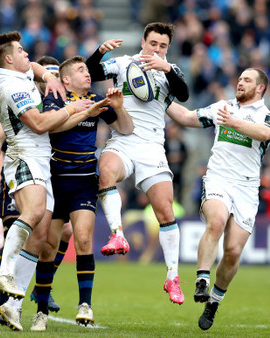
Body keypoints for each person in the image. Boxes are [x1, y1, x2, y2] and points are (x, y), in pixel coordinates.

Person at [0, 31, 104, 331]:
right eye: (23, 52)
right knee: (35, 211)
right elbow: (39, 125)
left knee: (39, 240)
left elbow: (38, 68)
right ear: (9, 59)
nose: (30, 56)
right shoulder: (12, 87)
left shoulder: (22, 73)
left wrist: (51, 80)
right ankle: (4, 271)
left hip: (43, 161)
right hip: (25, 156)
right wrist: (69, 108)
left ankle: (12, 306)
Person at [86, 22, 189, 305]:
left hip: (153, 147)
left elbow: (184, 94)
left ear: (168, 48)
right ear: (143, 41)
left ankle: (172, 277)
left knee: (165, 210)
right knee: (105, 172)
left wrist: (165, 67)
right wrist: (98, 53)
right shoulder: (123, 64)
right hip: (123, 141)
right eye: (152, 43)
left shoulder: (172, 72)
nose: (156, 49)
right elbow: (91, 73)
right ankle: (118, 235)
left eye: (162, 46)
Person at [166, 68, 270, 330]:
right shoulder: (223, 106)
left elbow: (264, 134)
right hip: (218, 179)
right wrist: (162, 98)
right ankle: (202, 279)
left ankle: (214, 301)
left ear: (260, 88)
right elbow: (186, 117)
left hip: (247, 188)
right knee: (216, 222)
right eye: (239, 78)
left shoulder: (266, 116)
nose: (240, 82)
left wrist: (233, 122)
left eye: (247, 80)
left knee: (233, 251)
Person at [30, 55, 132, 330]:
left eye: (87, 69)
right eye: (80, 70)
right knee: (49, 247)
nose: (87, 73)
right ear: (66, 79)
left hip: (84, 179)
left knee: (83, 240)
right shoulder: (55, 97)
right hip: (55, 180)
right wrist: (82, 112)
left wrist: (119, 109)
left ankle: (85, 305)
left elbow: (126, 129)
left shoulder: (97, 99)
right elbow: (51, 126)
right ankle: (41, 311)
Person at [0, 57, 71, 315]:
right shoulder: (27, 99)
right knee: (19, 224)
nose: (54, 79)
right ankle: (4, 284)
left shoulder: (61, 101)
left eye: (57, 75)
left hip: (50, 171)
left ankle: (21, 298)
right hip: (23, 166)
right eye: (49, 74)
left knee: (47, 236)